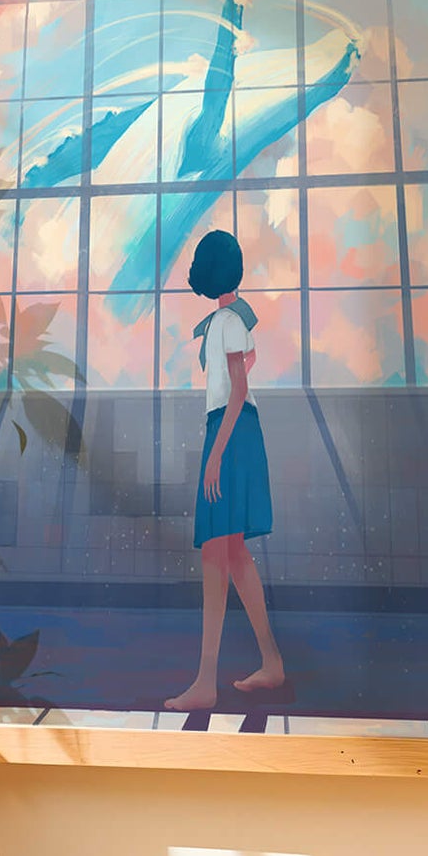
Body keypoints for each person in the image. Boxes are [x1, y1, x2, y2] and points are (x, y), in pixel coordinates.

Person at [165, 230, 285, 713]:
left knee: (217, 553)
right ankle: (271, 662)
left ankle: (205, 682)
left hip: (230, 434)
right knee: (231, 554)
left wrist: (215, 453)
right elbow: (244, 370)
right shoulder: (227, 322)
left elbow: (236, 390)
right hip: (234, 431)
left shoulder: (228, 322)